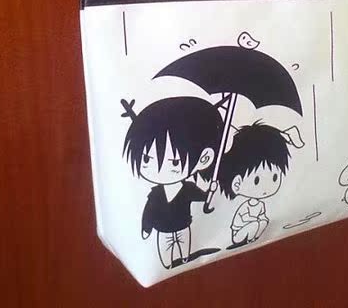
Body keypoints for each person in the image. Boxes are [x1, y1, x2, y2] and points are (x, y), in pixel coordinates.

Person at [122, 96, 223, 269]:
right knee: (166, 254)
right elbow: (149, 210)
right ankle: (169, 264)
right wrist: (146, 227)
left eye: (175, 162)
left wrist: (211, 191)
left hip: (183, 226)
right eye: (146, 159)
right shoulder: (156, 194)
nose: (160, 170)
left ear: (203, 159)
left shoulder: (189, 189)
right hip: (163, 230)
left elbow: (204, 198)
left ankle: (184, 259)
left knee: (184, 248)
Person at [218, 121, 303, 247]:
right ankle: (248, 239)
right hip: (239, 233)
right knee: (255, 224)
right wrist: (255, 220)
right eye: (256, 180)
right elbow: (241, 219)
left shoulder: (260, 205)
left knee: (262, 223)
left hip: (265, 236)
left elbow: (262, 215)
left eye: (275, 177)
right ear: (236, 183)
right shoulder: (245, 207)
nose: (266, 188)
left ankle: (253, 238)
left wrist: (263, 219)